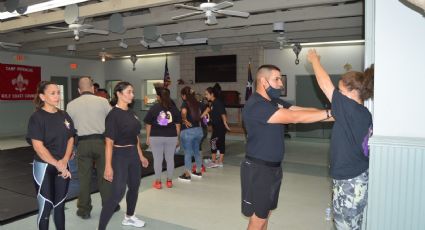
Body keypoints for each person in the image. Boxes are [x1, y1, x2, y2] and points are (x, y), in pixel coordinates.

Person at [242, 65, 331, 230]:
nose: (281, 84)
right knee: (258, 218)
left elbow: (301, 110)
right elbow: (295, 117)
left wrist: (332, 113)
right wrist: (330, 114)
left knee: (266, 213)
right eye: (276, 79)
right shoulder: (257, 105)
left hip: (273, 168)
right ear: (263, 81)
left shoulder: (273, 101)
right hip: (259, 168)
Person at [307, 49, 373, 230]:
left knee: (346, 226)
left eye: (341, 90)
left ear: (352, 92)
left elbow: (325, 84)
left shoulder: (352, 110)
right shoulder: (360, 113)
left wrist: (314, 60)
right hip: (350, 177)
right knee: (345, 224)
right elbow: (326, 115)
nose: (338, 94)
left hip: (350, 181)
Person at [98, 81, 149, 230]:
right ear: (119, 94)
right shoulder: (113, 115)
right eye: (129, 92)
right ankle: (100, 227)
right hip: (119, 155)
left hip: (133, 153)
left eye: (132, 92)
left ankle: (129, 217)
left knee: (134, 186)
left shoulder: (131, 113)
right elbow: (108, 143)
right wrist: (108, 166)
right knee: (117, 193)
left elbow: (136, 137)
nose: (132, 95)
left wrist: (141, 156)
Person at [27, 81, 75, 230]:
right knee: (46, 207)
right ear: (42, 96)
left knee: (60, 206)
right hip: (44, 167)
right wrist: (58, 164)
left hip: (62, 165)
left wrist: (65, 160)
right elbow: (38, 147)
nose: (57, 96)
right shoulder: (37, 118)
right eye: (52, 93)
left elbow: (70, 138)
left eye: (58, 93)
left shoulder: (64, 115)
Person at [66, 76, 115, 219]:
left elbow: (68, 129)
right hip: (101, 143)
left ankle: (84, 210)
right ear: (93, 88)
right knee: (105, 176)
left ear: (78, 90)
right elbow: (113, 121)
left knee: (84, 178)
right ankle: (109, 206)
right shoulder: (103, 101)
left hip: (82, 144)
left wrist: (69, 149)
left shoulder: (71, 105)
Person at [144, 87, 181, 189]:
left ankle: (158, 182)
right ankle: (169, 181)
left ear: (158, 97)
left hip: (156, 137)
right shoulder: (174, 108)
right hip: (171, 137)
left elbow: (148, 124)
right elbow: (178, 125)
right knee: (170, 159)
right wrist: (177, 138)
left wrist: (147, 137)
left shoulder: (154, 108)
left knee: (158, 160)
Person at [178, 86, 204, 181]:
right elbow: (207, 109)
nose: (182, 97)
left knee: (188, 152)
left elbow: (183, 112)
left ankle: (187, 174)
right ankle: (198, 171)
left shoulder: (185, 103)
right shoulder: (197, 103)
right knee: (196, 151)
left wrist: (184, 119)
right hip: (199, 130)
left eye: (182, 95)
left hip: (188, 131)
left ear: (184, 95)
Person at [201, 87, 231, 168]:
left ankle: (218, 161)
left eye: (207, 94)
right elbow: (208, 109)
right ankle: (215, 160)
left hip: (220, 127)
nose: (205, 96)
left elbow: (223, 114)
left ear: (212, 94)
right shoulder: (212, 103)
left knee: (214, 141)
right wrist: (201, 116)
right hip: (216, 126)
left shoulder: (218, 102)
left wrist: (225, 123)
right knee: (215, 142)